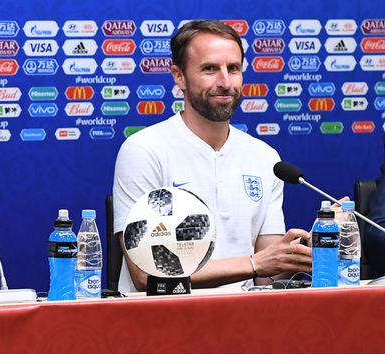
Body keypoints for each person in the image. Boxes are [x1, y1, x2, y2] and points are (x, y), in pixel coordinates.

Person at [112, 20, 312, 292]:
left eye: (233, 68)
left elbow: (268, 277)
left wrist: (311, 248)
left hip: (242, 319)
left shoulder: (265, 157)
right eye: (210, 69)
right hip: (161, 321)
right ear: (179, 76)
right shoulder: (145, 150)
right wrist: (253, 263)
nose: (225, 82)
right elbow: (146, 275)